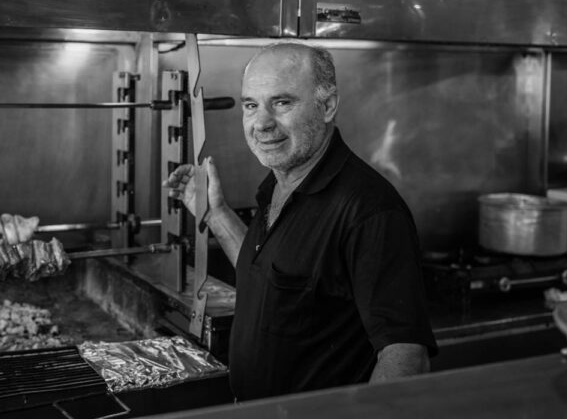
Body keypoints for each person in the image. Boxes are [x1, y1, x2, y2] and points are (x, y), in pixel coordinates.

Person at [163, 41, 437, 401]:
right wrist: (216, 214)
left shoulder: (369, 211)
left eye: (282, 102)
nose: (261, 123)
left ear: (327, 105)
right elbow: (269, 273)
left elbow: (406, 355)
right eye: (251, 105)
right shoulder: (278, 186)